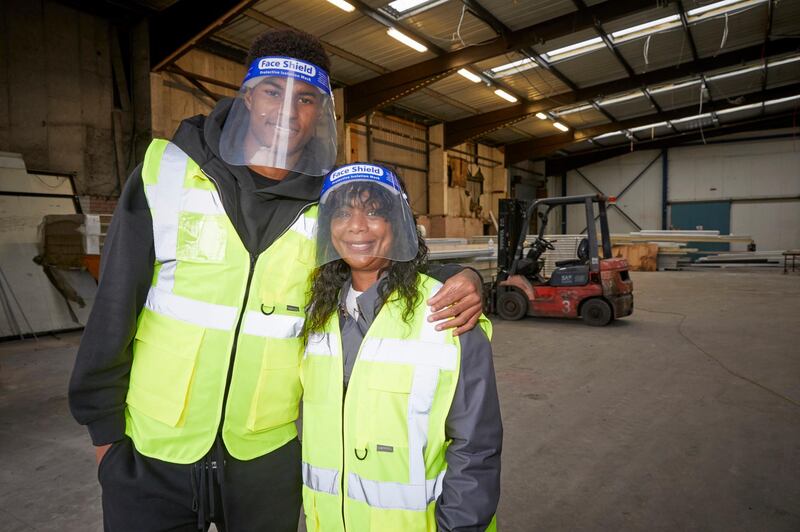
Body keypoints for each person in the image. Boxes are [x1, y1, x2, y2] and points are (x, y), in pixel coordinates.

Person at [68, 29, 484, 531]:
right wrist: (105, 436)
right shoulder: (170, 169)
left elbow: (381, 256)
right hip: (153, 447)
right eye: (273, 90)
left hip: (266, 454)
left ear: (321, 112)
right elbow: (115, 302)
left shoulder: (328, 201)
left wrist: (460, 273)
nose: (288, 111)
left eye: (306, 98)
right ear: (246, 95)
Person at [300, 163, 502, 531]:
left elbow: (476, 447)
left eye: (374, 211)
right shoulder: (316, 315)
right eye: (342, 212)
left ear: (398, 223)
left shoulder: (447, 310)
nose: (357, 225)